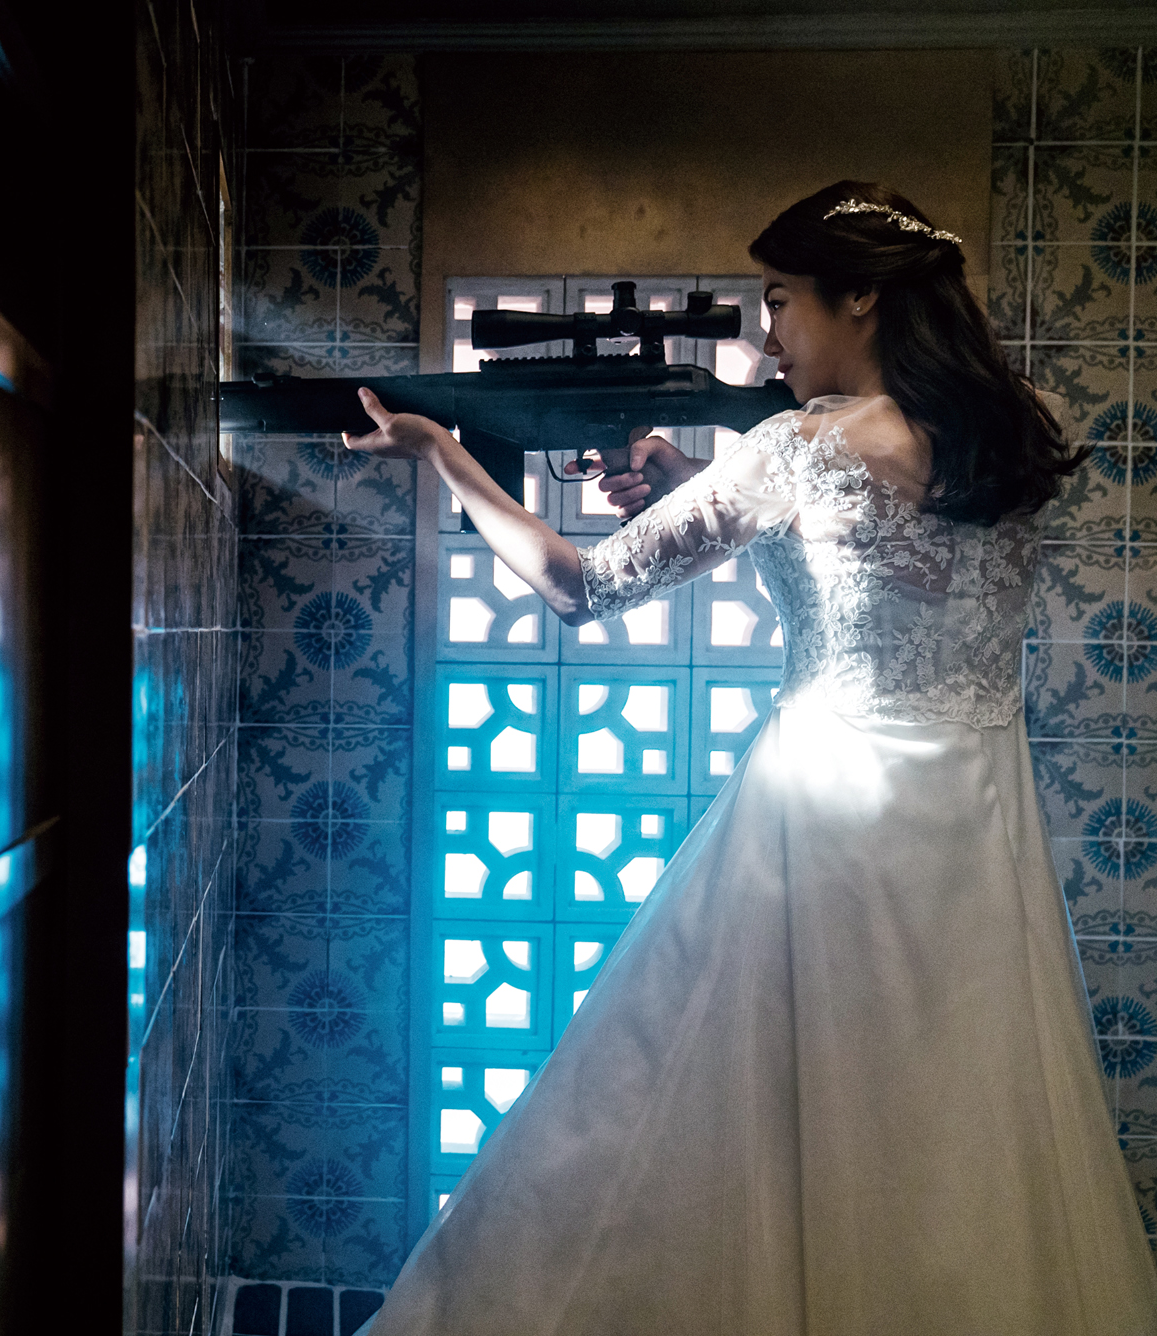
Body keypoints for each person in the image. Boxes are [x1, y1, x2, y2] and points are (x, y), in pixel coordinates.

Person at [344, 182, 1157, 1333]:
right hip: (975, 832)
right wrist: (697, 484)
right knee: (948, 1135)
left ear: (858, 297)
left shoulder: (793, 449)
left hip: (815, 830)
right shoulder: (1012, 430)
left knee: (690, 1129)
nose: (768, 335)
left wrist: (439, 451)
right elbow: (891, 557)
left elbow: (577, 585)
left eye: (779, 300)